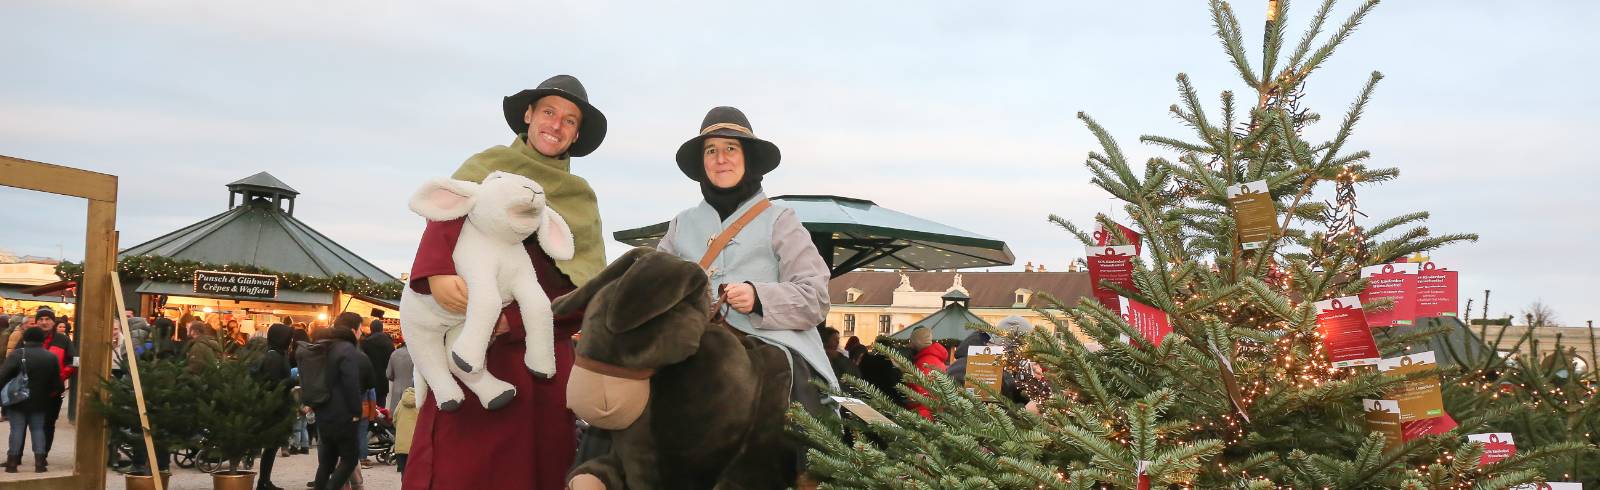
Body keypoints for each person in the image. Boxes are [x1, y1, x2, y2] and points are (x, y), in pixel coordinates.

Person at [403, 74, 608, 490]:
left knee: (535, 471)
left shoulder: (580, 199)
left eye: (570, 120)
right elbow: (442, 226)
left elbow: (588, 295)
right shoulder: (485, 169)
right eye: (549, 112)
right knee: (459, 471)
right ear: (529, 115)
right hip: (467, 348)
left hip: (537, 365)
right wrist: (437, 274)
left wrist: (511, 323)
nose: (556, 125)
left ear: (577, 134)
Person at [643, 106, 836, 482]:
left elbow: (815, 296)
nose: (721, 158)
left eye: (731, 148)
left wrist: (760, 296)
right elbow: (654, 283)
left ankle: (810, 474)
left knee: (793, 385)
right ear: (702, 164)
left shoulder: (781, 219)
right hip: (692, 336)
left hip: (773, 339)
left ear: (748, 158)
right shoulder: (682, 224)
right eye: (711, 150)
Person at [0, 327, 64, 473]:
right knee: (38, 430)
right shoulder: (50, 357)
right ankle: (40, 464)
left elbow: (2, 376)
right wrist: (49, 394)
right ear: (42, 340)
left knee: (16, 430)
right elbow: (58, 384)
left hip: (17, 400)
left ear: (25, 339)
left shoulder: (17, 354)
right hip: (41, 401)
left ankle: (12, 464)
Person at [307, 325, 362, 490]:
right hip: (343, 413)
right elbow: (350, 382)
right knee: (350, 458)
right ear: (352, 334)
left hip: (324, 411)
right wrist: (356, 411)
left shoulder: (325, 349)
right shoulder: (347, 350)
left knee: (327, 462)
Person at [946, 316, 1034, 405]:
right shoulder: (966, 369)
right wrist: (1026, 411)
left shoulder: (1005, 368)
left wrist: (1032, 385)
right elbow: (982, 413)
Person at [251, 324, 295, 490]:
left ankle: (264, 480)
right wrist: (293, 381)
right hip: (274, 407)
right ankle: (263, 481)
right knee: (271, 446)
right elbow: (273, 384)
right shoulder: (274, 357)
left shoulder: (277, 354)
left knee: (271, 447)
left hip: (276, 405)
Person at [35, 310, 75, 454]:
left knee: (48, 423)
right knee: (25, 424)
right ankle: (15, 456)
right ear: (36, 321)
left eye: (47, 319)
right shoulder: (31, 337)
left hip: (54, 389)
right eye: (41, 319)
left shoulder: (63, 340)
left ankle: (42, 455)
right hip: (32, 389)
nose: (44, 322)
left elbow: (73, 361)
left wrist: (62, 375)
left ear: (53, 321)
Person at [906, 326, 950, 420]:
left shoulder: (924, 362)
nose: (909, 346)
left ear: (916, 343)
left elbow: (920, 393)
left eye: (911, 342)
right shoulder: (936, 359)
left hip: (923, 415)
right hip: (933, 412)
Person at [359, 316, 395, 412]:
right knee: (381, 407)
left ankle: (370, 423)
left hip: (369, 379)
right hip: (383, 378)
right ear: (382, 328)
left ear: (371, 329)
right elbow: (391, 360)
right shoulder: (389, 343)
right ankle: (379, 424)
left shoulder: (366, 342)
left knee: (369, 406)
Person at [392, 387, 418, 475]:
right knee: (415, 474)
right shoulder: (422, 402)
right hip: (415, 445)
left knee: (404, 474)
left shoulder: (401, 402)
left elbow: (394, 420)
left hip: (401, 446)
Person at [385, 343, 413, 414]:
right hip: (410, 391)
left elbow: (388, 374)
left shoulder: (394, 353)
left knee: (396, 416)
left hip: (396, 390)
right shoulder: (414, 355)